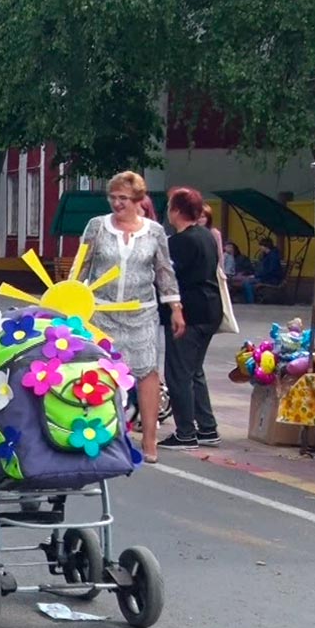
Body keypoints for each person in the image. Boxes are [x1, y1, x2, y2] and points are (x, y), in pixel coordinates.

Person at [76, 171, 182, 463]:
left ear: (138, 201)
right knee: (98, 371)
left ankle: (149, 439)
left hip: (142, 311)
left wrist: (175, 308)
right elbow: (81, 266)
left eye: (123, 198)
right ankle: (100, 433)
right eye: (113, 197)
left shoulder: (154, 232)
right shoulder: (96, 227)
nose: (117, 203)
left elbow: (164, 271)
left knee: (147, 372)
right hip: (102, 311)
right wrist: (70, 300)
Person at [159, 187, 222, 450]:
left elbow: (167, 278)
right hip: (210, 310)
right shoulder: (206, 236)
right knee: (194, 370)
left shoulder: (179, 242)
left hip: (188, 313)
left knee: (178, 373)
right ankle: (207, 427)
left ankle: (185, 431)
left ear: (176, 210)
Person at [235, 237, 283, 303]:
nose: (260, 248)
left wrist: (256, 276)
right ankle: (251, 300)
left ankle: (250, 302)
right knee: (246, 281)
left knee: (247, 283)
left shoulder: (272, 256)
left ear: (265, 246)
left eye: (261, 246)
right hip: (266, 277)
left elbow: (270, 270)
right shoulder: (269, 255)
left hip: (270, 279)